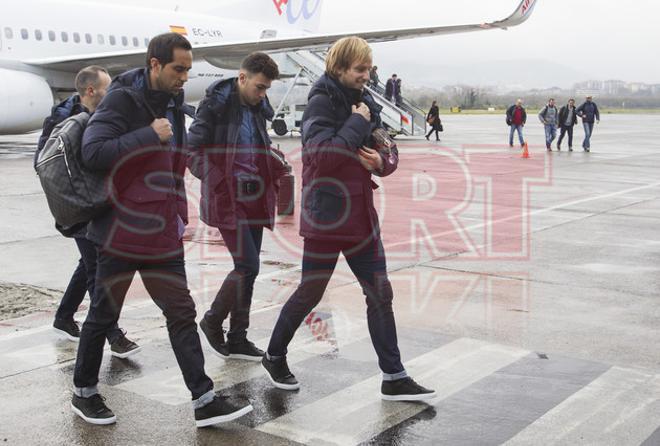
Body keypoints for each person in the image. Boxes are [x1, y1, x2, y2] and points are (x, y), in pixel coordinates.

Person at [71, 33, 253, 427]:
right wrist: (147, 136)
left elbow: (175, 158)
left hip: (161, 232)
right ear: (155, 64)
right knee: (104, 314)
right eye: (178, 68)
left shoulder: (172, 101)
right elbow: (93, 151)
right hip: (120, 230)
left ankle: (204, 399)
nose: (184, 77)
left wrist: (178, 211)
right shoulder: (121, 99)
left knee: (181, 313)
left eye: (187, 69)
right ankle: (84, 391)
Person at [262, 36, 436, 402]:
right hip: (327, 215)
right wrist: (357, 123)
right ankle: (274, 355)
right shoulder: (320, 103)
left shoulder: (365, 101)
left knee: (379, 294)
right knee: (310, 291)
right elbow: (322, 156)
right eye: (360, 69)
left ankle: (394, 375)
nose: (367, 75)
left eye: (369, 68)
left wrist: (383, 164)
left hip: (360, 216)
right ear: (339, 68)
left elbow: (387, 146)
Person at [187, 53, 288, 361]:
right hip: (228, 199)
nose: (263, 94)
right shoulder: (215, 104)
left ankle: (238, 336)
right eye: (259, 87)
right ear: (242, 78)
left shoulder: (258, 107)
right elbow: (191, 151)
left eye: (266, 88)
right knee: (247, 266)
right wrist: (220, 181)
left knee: (249, 270)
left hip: (255, 195)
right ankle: (212, 320)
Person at [35, 66, 140, 358]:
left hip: (96, 204)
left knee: (88, 263)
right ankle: (112, 334)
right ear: (91, 91)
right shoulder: (65, 119)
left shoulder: (100, 117)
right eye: (108, 89)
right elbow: (43, 163)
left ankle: (63, 317)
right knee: (98, 272)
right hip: (82, 206)